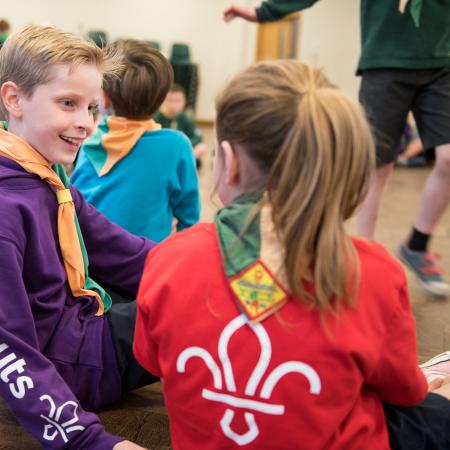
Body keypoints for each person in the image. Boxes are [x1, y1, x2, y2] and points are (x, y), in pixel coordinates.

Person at [133, 60, 450, 450]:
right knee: (433, 411)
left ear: (228, 162)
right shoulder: (374, 271)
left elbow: (151, 361)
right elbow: (402, 389)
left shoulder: (169, 258)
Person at [223, 0, 450, 298]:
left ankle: (416, 246)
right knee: (378, 166)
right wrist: (266, 11)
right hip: (385, 61)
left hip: (442, 60)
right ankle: (366, 254)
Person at [0, 24, 156, 450]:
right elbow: (9, 350)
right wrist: (90, 441)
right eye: (68, 104)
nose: (86, 124)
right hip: (72, 368)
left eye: (93, 108)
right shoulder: (7, 207)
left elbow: (127, 254)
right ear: (13, 99)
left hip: (83, 328)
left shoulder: (45, 178)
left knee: (193, 286)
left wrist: (209, 264)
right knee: (199, 310)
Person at [71, 40, 200, 243]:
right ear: (161, 98)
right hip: (146, 263)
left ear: (104, 98)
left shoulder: (92, 144)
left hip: (89, 263)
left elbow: (75, 208)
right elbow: (189, 218)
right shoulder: (176, 146)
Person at [154, 83, 207, 169]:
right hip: (163, 155)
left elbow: (197, 137)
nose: (173, 105)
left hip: (181, 151)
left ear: (184, 102)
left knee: (201, 148)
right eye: (170, 100)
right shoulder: (157, 119)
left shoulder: (185, 118)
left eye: (177, 101)